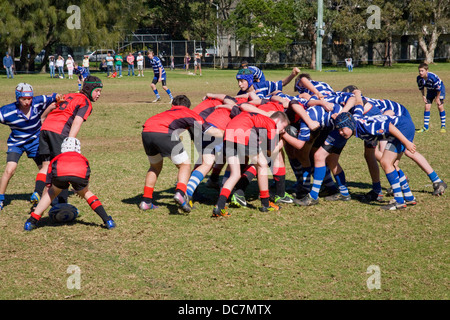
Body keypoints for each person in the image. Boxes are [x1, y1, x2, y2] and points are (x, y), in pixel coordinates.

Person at [336, 93, 418, 211]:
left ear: (349, 125)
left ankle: (399, 201)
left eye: (342, 129)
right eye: (338, 129)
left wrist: (406, 142)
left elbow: (389, 126)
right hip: (404, 126)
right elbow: (359, 105)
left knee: (385, 162)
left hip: (402, 128)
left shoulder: (365, 127)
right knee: (392, 164)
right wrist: (358, 95)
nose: (340, 133)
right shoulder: (355, 119)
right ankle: (409, 197)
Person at [35, 76, 103, 205]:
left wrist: (43, 120)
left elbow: (53, 105)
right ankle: (61, 203)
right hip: (59, 132)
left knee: (47, 166)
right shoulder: (85, 103)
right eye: (97, 91)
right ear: (89, 89)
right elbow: (77, 122)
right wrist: (70, 141)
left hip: (45, 129)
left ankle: (37, 194)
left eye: (100, 91)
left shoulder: (69, 95)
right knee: (63, 168)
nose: (99, 94)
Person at [23, 137, 116, 231]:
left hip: (60, 173)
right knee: (87, 193)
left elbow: (48, 184)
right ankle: (108, 220)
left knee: (51, 192)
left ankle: (31, 221)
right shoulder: (84, 159)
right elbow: (87, 175)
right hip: (80, 173)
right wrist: (82, 191)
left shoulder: (56, 158)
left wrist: (43, 202)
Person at [139, 95, 211, 213]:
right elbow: (209, 130)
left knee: (154, 167)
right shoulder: (188, 112)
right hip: (164, 133)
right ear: (188, 107)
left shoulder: (167, 112)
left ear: (172, 105)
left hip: (146, 131)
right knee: (185, 165)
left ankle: (146, 202)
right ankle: (180, 193)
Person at [212, 111, 290, 217]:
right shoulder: (271, 123)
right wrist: (282, 143)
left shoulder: (259, 119)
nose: (283, 130)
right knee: (262, 165)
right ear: (277, 121)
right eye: (283, 126)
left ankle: (219, 206)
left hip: (228, 134)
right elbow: (271, 152)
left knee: (235, 174)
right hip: (243, 132)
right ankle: (265, 204)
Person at [0, 83, 63, 211]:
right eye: (24, 99)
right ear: (18, 98)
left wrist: (59, 98)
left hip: (35, 142)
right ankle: (1, 199)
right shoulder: (7, 111)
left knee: (45, 171)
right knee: (10, 170)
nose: (27, 102)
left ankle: (47, 198)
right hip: (16, 144)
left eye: (29, 99)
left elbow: (54, 96)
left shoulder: (38, 102)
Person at [416, 63, 446, 133]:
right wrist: (423, 96)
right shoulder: (419, 78)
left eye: (422, 71)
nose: (420, 72)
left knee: (440, 106)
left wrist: (437, 98)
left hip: (439, 90)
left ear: (427, 70)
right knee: (427, 106)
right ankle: (426, 127)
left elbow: (439, 88)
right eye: (419, 71)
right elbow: (421, 88)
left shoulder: (433, 77)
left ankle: (443, 126)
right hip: (430, 90)